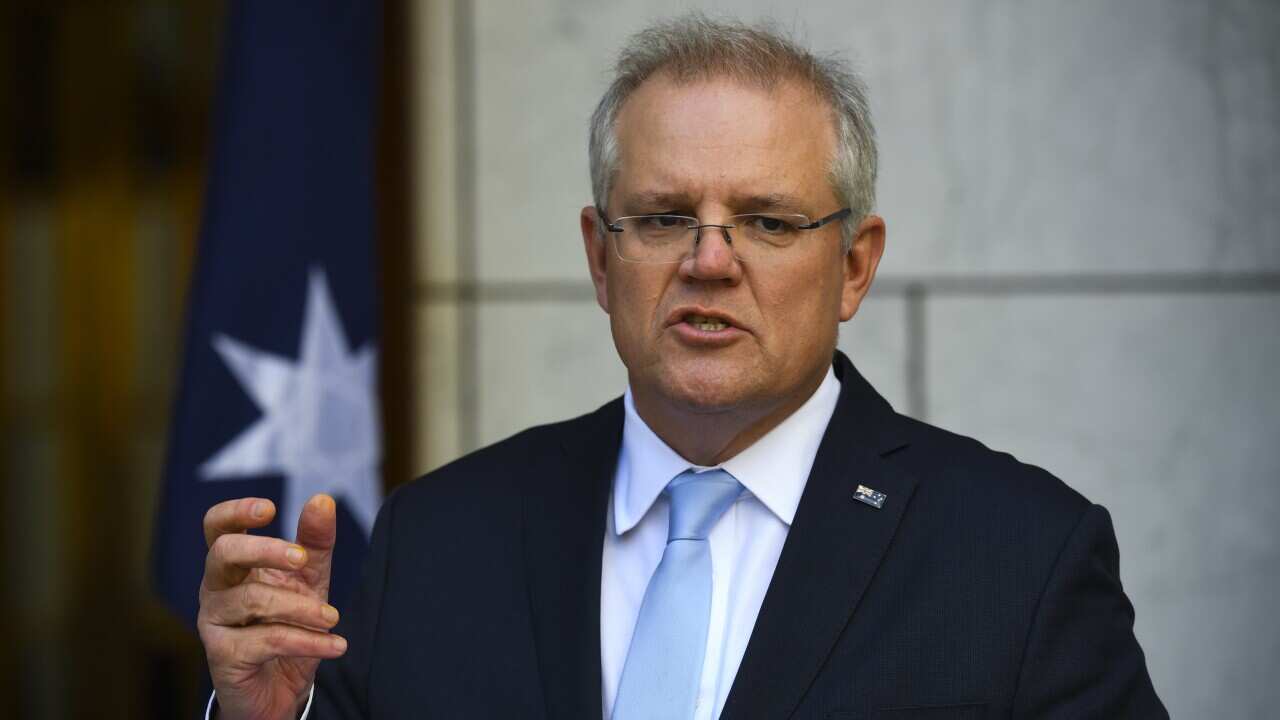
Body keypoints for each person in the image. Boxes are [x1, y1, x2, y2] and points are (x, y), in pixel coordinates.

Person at [196, 14, 1167, 720]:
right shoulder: (438, 540)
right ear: (598, 256)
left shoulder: (1018, 560)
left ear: (853, 267)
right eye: (663, 218)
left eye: (767, 221)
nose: (709, 260)